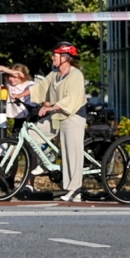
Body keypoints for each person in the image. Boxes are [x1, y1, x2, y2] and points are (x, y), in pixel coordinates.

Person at [35, 43, 90, 202]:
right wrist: (22, 95)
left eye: (56, 55)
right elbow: (40, 88)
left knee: (71, 153)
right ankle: (47, 160)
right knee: (33, 133)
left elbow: (71, 97)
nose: (53, 57)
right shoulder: (54, 74)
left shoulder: (76, 75)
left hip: (73, 116)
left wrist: (52, 107)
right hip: (57, 116)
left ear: (65, 58)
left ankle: (75, 190)